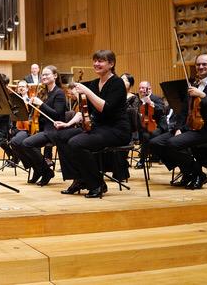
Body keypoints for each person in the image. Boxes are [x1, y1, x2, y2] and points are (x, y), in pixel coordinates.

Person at [149, 53, 207, 189]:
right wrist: (179, 128)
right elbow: (184, 111)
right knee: (155, 143)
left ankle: (198, 174)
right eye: (198, 64)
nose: (201, 67)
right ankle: (188, 172)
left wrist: (203, 96)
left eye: (205, 64)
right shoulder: (194, 84)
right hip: (190, 127)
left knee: (172, 144)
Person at [55, 50, 131, 198]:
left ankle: (97, 184)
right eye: (95, 60)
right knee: (61, 136)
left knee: (77, 143)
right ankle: (80, 179)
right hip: (100, 128)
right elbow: (85, 111)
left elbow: (106, 108)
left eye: (101, 61)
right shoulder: (95, 83)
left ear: (111, 64)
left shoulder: (117, 83)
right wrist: (68, 124)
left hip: (117, 130)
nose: (96, 64)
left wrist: (87, 92)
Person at [10, 66, 66, 186]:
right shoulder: (43, 92)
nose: (44, 77)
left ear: (55, 76)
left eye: (47, 74)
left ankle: (46, 172)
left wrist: (41, 104)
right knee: (15, 142)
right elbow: (35, 113)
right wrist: (30, 104)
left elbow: (57, 115)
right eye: (43, 75)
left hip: (53, 129)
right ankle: (37, 169)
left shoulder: (59, 93)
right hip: (38, 127)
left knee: (27, 144)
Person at [135, 80, 165, 169]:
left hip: (158, 126)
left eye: (143, 88)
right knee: (144, 134)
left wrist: (151, 103)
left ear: (149, 89)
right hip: (146, 127)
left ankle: (142, 160)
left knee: (146, 136)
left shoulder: (156, 98)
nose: (141, 90)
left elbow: (162, 110)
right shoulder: (140, 101)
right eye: (140, 88)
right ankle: (151, 157)